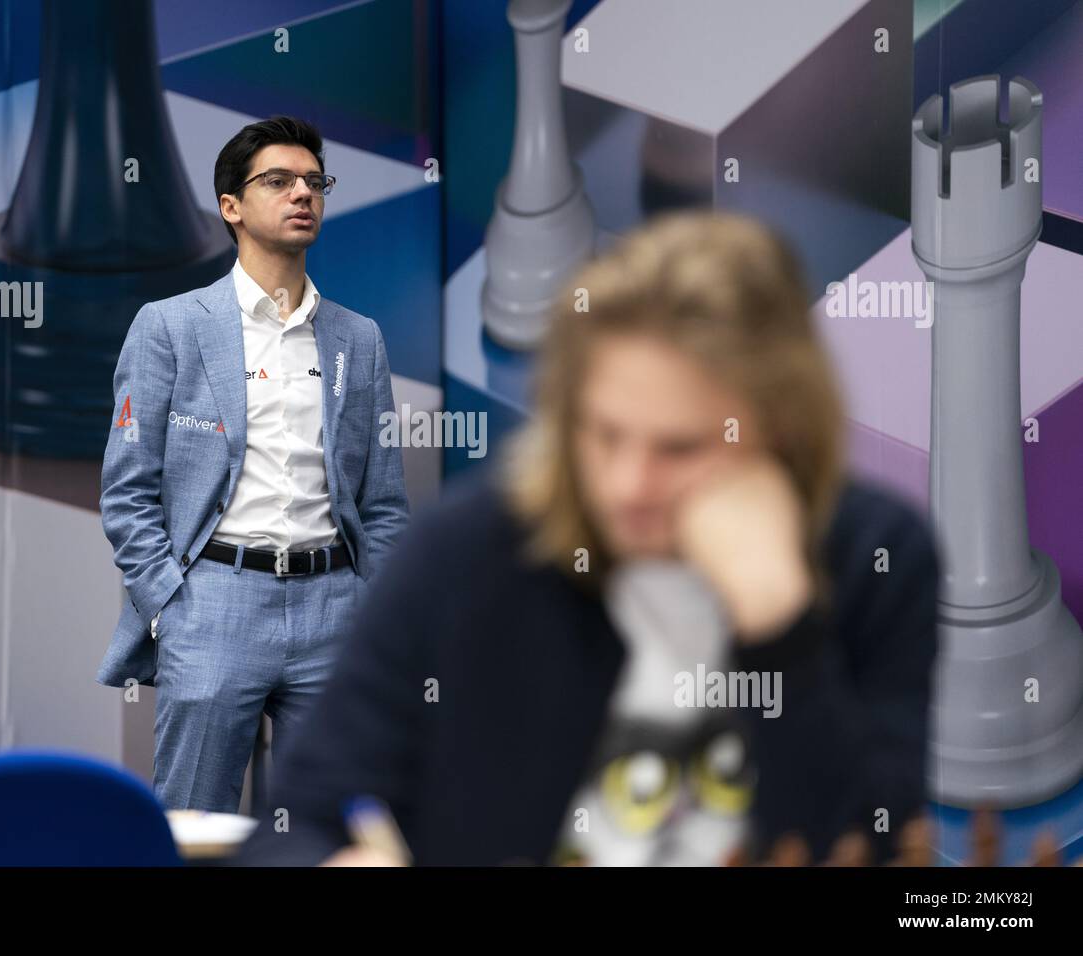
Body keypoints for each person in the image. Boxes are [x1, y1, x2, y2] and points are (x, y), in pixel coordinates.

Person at [235, 210, 939, 865]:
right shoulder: (471, 549)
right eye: (604, 435)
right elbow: (299, 821)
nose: (629, 486)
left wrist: (781, 629)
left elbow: (869, 841)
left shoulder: (880, 556)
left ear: (780, 428)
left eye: (679, 448)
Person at [96, 116, 409, 812]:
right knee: (193, 825)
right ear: (230, 207)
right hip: (213, 602)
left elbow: (384, 500)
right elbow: (127, 490)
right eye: (279, 181)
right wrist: (173, 605)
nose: (303, 193)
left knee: (334, 830)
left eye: (314, 182)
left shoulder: (359, 339)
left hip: (336, 608)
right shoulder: (170, 326)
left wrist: (371, 605)